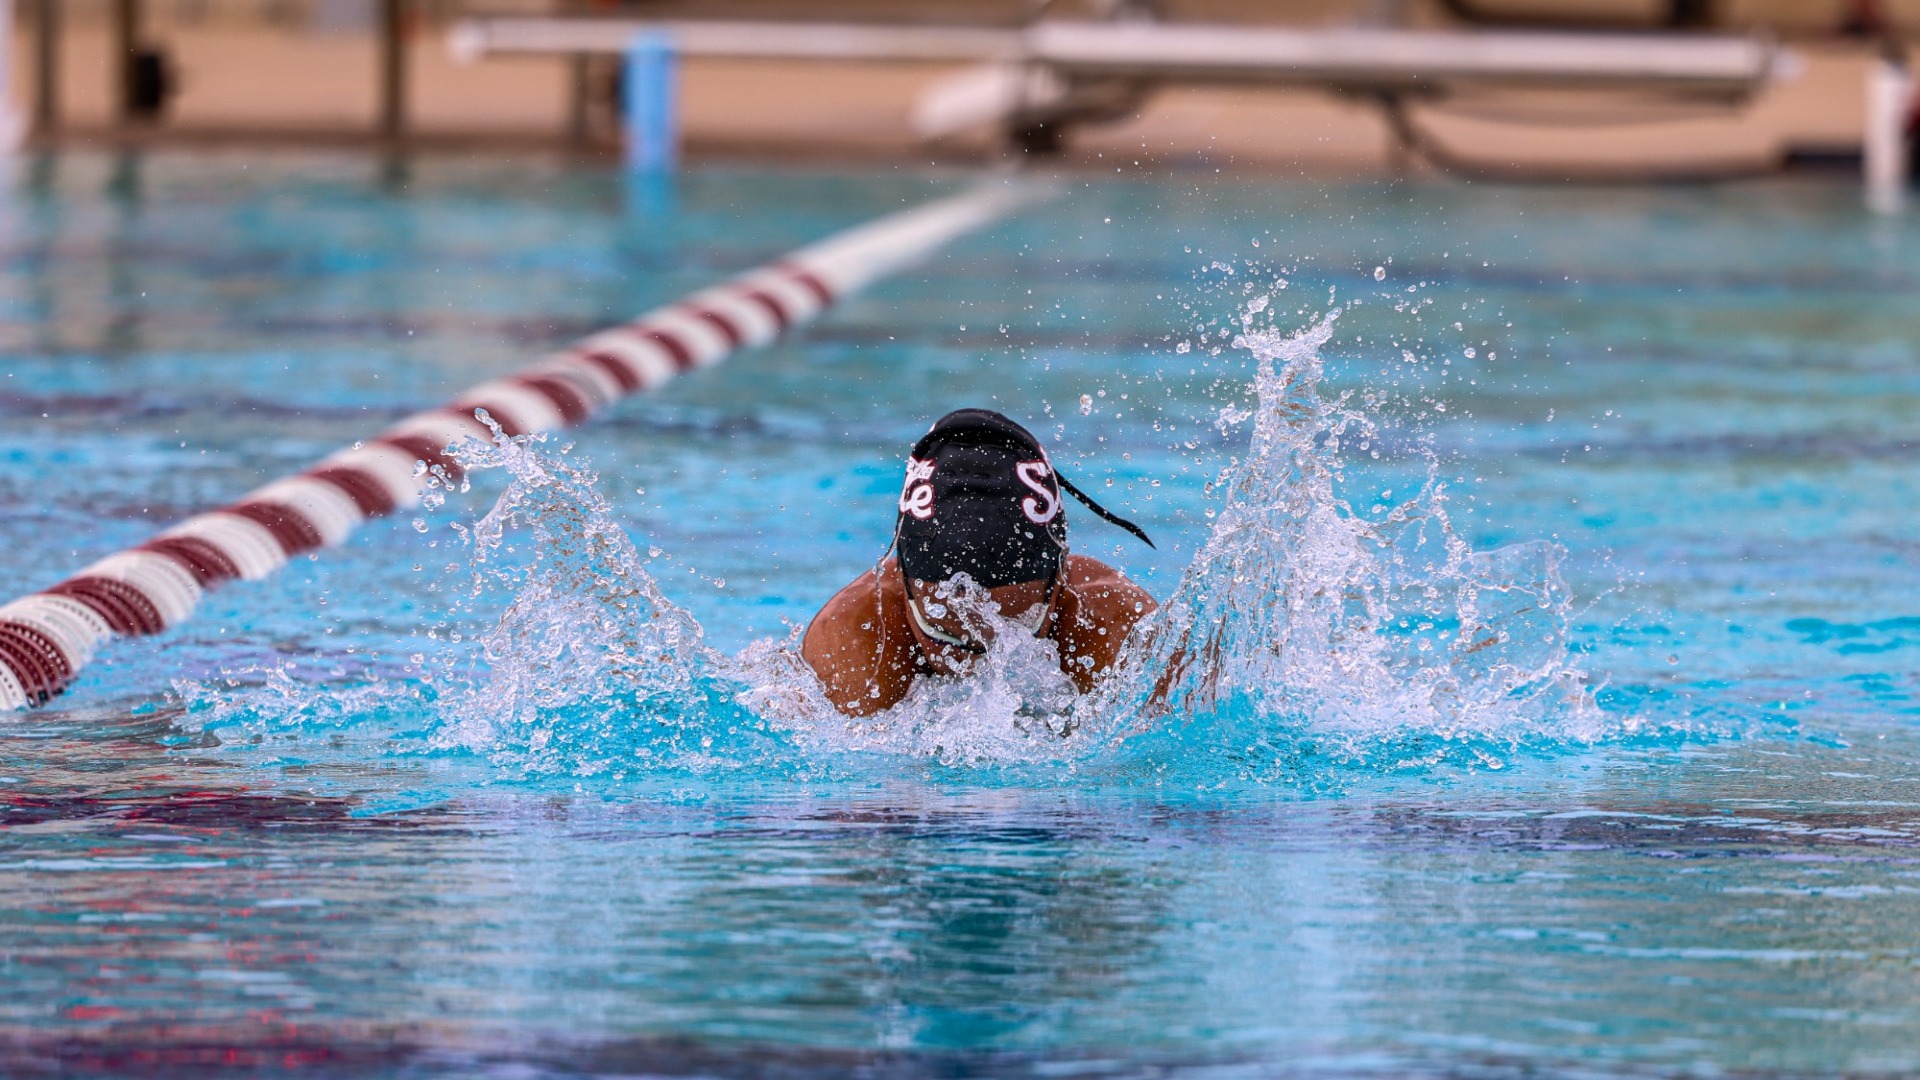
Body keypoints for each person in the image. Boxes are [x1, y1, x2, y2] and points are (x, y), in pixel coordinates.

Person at [802, 408, 1158, 718]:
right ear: (901, 579)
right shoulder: (854, 648)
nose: (983, 668)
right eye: (946, 636)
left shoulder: (1125, 639)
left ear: (1061, 579)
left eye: (1018, 631)